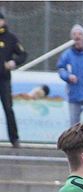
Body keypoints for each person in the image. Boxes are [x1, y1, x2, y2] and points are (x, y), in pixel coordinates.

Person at [0, 10, 27, 147]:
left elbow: (23, 54)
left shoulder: (10, 38)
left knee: (8, 109)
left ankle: (14, 138)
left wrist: (13, 63)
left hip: (4, 80)